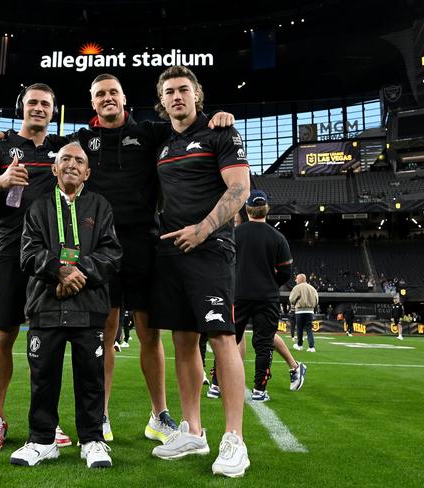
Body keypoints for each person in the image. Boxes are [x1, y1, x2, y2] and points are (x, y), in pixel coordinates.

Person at [0, 74, 234, 444]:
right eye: (99, 94)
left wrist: (217, 116)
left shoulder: (151, 133)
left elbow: (186, 126)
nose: (107, 99)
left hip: (146, 244)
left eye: (112, 93)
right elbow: (42, 142)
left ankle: (159, 415)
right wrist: (2, 137)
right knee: (104, 334)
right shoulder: (82, 140)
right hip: (100, 247)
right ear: (93, 102)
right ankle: (99, 416)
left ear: (123, 98)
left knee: (151, 335)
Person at [149, 66, 250, 478]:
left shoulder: (221, 133)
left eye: (183, 90)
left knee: (222, 337)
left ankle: (234, 439)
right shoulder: (163, 144)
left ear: (197, 95)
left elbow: (239, 189)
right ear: (162, 100)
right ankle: (194, 431)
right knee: (183, 340)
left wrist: (204, 229)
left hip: (211, 248)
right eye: (169, 91)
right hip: (171, 253)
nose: (176, 97)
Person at [0, 83, 71, 451]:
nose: (39, 108)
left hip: (50, 257)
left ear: (53, 109)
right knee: (3, 335)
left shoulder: (64, 148)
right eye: (33, 103)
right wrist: (2, 179)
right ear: (21, 107)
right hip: (10, 251)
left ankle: (47, 419)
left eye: (46, 103)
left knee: (49, 341)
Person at [10, 142, 122, 468]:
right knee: (43, 377)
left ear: (88, 171)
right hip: (45, 304)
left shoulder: (100, 207)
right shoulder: (38, 208)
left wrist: (79, 272)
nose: (72, 164)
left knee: (91, 377)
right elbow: (28, 253)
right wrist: (58, 271)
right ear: (54, 168)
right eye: (65, 159)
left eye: (79, 160)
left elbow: (112, 253)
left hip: (89, 306)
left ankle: (92, 440)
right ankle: (41, 440)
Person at [233, 190, 295, 402]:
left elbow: (223, 263)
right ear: (266, 209)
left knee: (229, 341)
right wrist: (270, 283)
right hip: (267, 298)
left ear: (248, 209)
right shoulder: (277, 237)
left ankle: (218, 385)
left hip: (238, 295)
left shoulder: (235, 234)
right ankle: (260, 389)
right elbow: (286, 272)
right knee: (264, 344)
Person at [289, 274, 319, 352]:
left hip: (300, 311)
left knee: (299, 328)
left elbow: (291, 299)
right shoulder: (312, 288)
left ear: (300, 279)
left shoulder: (297, 287)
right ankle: (311, 347)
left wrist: (296, 303)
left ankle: (300, 345)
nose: (295, 280)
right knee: (309, 329)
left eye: (296, 279)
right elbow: (317, 299)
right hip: (310, 311)